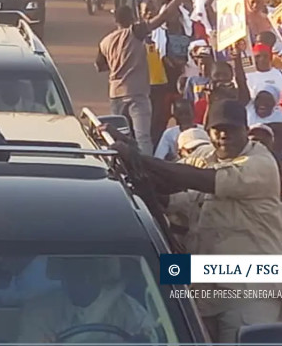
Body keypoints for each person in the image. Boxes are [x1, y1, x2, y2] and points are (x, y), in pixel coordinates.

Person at [116, 99, 282, 342]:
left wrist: (139, 159)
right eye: (218, 129)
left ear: (246, 131)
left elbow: (195, 178)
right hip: (202, 283)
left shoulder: (260, 164)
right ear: (208, 131)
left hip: (251, 288)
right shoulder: (205, 156)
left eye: (232, 129)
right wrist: (128, 159)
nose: (224, 135)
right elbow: (167, 185)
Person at [96, 0, 187, 155]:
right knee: (142, 137)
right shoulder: (135, 32)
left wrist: (119, 61)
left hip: (115, 94)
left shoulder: (105, 41)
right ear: (132, 19)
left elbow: (99, 66)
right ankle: (147, 170)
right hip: (136, 93)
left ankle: (122, 166)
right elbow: (164, 15)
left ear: (116, 20)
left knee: (120, 135)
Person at [18, 257, 155, 342]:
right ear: (63, 275)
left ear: (100, 273)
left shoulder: (127, 308)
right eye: (74, 271)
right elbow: (32, 340)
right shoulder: (40, 311)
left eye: (89, 270)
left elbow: (151, 336)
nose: (84, 278)